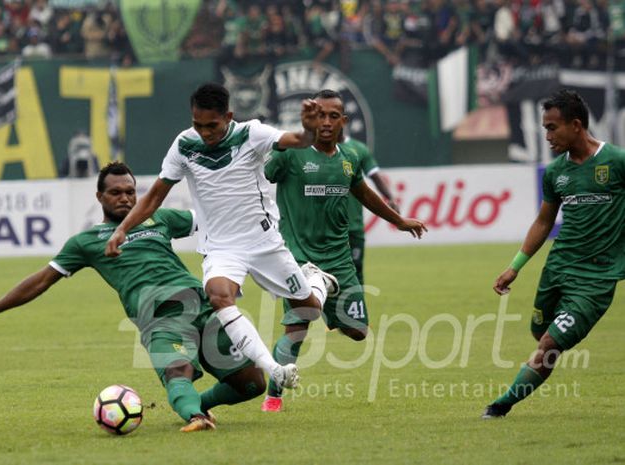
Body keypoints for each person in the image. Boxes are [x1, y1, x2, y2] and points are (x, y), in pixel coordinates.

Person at [0, 162, 269, 432]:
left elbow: (213, 218)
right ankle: (196, 416)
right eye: (116, 192)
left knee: (253, 383)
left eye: (130, 191)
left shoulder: (158, 219)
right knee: (178, 369)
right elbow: (40, 281)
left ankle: (194, 403)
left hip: (201, 303)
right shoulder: (86, 241)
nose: (125, 197)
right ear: (100, 197)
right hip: (158, 315)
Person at [105, 83, 339, 393]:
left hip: (263, 241)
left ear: (228, 116)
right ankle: (275, 369)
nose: (204, 132)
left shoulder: (251, 133)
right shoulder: (184, 145)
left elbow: (297, 139)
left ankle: (318, 281)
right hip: (221, 246)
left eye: (211, 125)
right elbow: (154, 197)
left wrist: (309, 131)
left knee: (309, 308)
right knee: (217, 295)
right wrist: (123, 229)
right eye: (197, 124)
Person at [261, 89, 427, 412]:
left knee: (359, 331)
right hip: (300, 260)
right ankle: (273, 398)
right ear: (311, 118)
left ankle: (324, 304)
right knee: (296, 330)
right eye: (320, 115)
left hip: (339, 262)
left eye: (332, 116)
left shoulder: (349, 159)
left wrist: (399, 221)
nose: (325, 122)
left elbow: (365, 194)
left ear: (343, 121)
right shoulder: (292, 154)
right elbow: (262, 172)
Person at [483, 89, 625, 418]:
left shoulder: (616, 162)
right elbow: (544, 221)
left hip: (595, 280)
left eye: (551, 127)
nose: (546, 135)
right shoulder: (555, 172)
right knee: (540, 335)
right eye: (544, 128)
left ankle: (500, 406)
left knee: (549, 344)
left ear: (576, 125)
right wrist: (514, 267)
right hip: (557, 269)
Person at [341, 135, 399, 285]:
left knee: (355, 271)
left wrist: (390, 197)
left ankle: (356, 307)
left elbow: (375, 177)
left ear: (343, 120)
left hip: (353, 225)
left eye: (334, 116)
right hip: (326, 227)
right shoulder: (315, 150)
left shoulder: (358, 149)